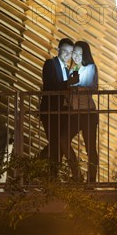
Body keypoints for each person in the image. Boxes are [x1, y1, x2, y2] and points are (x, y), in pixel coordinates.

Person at [39, 38, 79, 174]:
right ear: (58, 50)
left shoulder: (67, 70)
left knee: (57, 145)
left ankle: (37, 167)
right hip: (50, 111)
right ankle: (51, 175)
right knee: (56, 145)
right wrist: (68, 83)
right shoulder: (50, 64)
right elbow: (50, 86)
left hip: (61, 113)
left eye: (70, 52)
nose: (68, 55)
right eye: (65, 51)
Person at [63, 40, 99, 183]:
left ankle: (91, 180)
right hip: (75, 113)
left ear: (85, 54)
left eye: (80, 53)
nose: (76, 56)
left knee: (90, 146)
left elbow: (91, 86)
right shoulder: (72, 70)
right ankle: (77, 174)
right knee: (63, 139)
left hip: (88, 113)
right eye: (74, 53)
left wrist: (74, 87)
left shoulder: (90, 67)